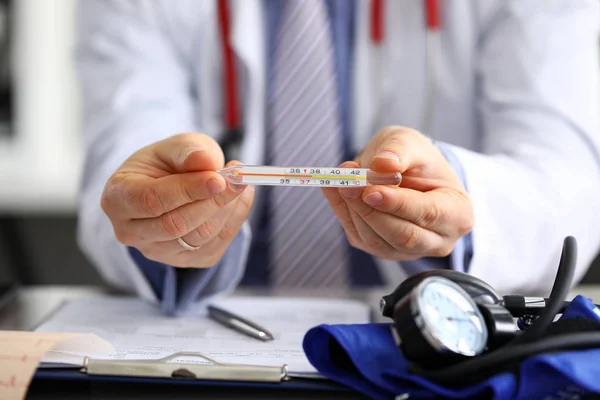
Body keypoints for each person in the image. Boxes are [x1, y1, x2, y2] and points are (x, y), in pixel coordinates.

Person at [74, 0, 600, 315]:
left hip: (428, 338)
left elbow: (566, 176)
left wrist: (458, 201)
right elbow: (123, 157)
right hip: (214, 337)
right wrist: (162, 213)